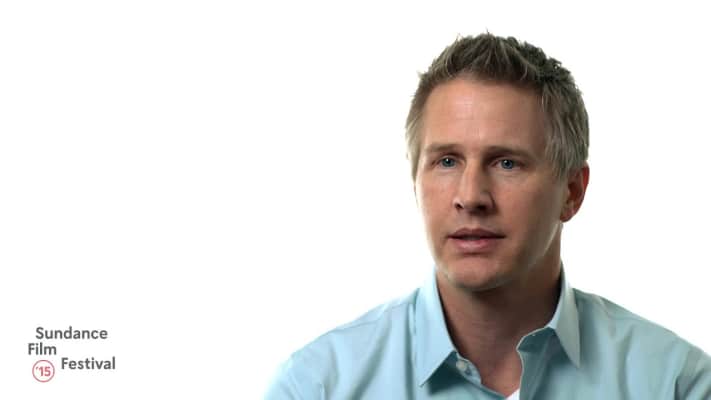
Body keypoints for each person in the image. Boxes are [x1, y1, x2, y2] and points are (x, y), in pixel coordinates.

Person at [264, 33, 711, 399]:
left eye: (506, 163)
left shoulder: (675, 384)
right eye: (446, 161)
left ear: (572, 192)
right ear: (415, 182)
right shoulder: (316, 387)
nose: (470, 196)